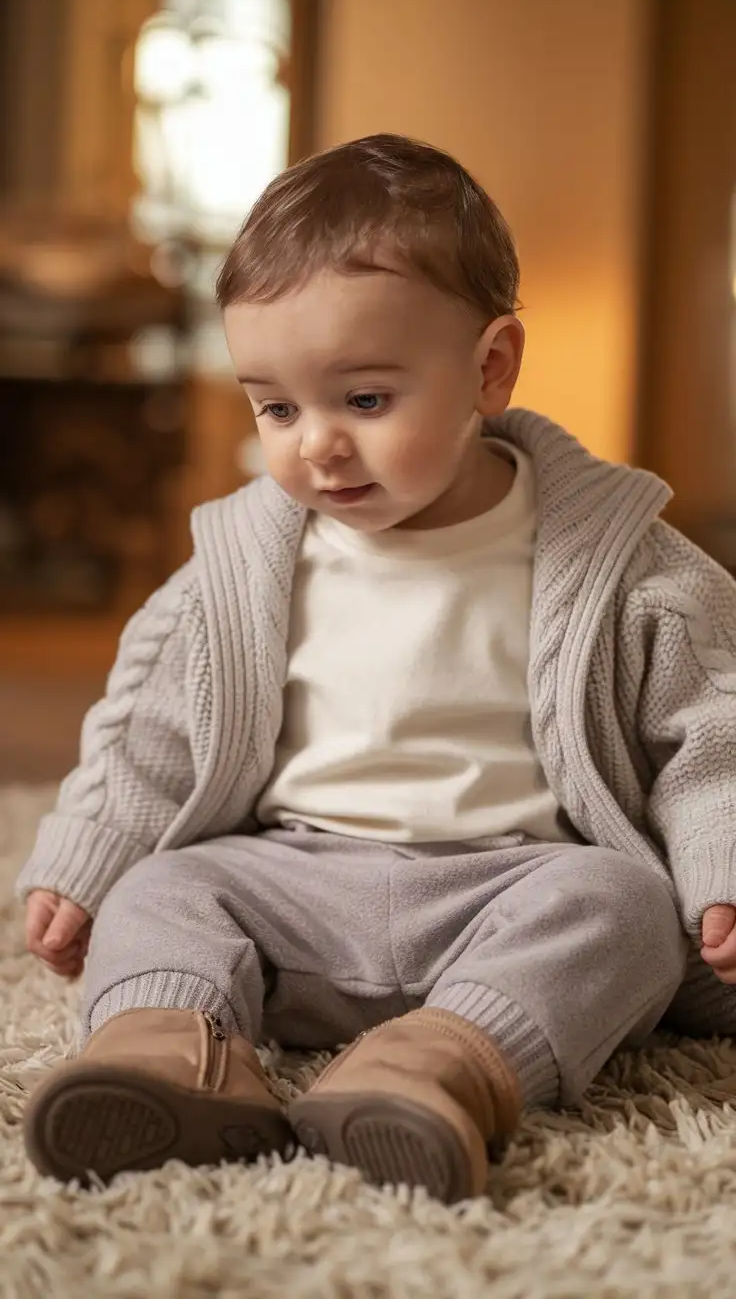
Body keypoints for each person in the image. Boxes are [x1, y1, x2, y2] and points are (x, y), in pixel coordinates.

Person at [17, 134, 736, 1205]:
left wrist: (721, 863)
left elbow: (709, 726)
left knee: (623, 903)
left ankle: (446, 1060)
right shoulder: (243, 566)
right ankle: (168, 1048)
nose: (315, 447)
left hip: (510, 882)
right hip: (293, 881)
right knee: (164, 887)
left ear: (489, 367)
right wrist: (85, 856)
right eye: (276, 407)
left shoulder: (616, 558)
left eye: (362, 400)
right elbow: (149, 731)